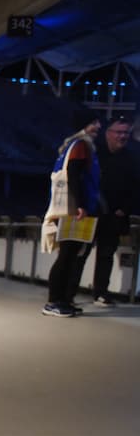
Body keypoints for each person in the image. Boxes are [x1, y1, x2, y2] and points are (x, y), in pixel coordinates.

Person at [70, 113, 139, 307]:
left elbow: (136, 187)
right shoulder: (94, 152)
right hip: (90, 213)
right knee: (80, 255)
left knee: (106, 256)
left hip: (114, 216)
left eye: (126, 133)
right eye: (119, 132)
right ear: (108, 132)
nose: (122, 136)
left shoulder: (132, 157)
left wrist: (124, 209)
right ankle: (69, 294)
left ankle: (101, 293)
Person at [43, 109, 101, 318]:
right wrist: (80, 205)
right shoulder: (80, 145)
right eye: (94, 122)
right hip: (73, 210)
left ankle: (64, 300)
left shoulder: (71, 146)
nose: (98, 126)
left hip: (70, 208)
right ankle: (53, 301)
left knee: (70, 256)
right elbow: (74, 175)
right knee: (66, 256)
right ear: (83, 125)